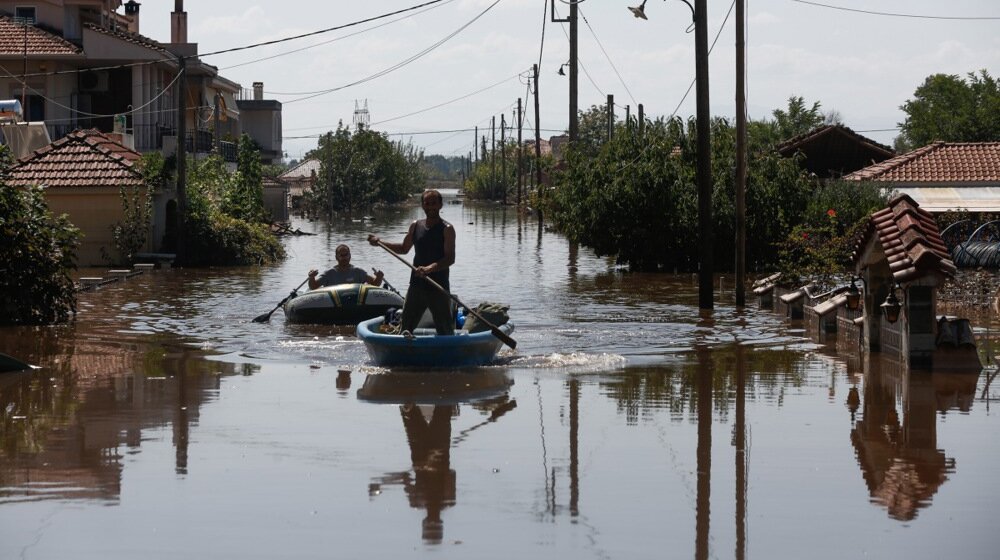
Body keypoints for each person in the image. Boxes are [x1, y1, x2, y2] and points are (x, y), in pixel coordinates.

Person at [368, 189, 455, 335]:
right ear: (422, 206)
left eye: (434, 203)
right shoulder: (416, 225)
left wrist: (429, 269)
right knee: (406, 327)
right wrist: (380, 242)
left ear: (440, 205)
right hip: (417, 286)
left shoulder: (447, 229)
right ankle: (404, 351)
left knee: (445, 330)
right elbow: (403, 248)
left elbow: (449, 258)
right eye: (427, 203)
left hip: (438, 286)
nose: (430, 207)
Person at [308, 244, 384, 289]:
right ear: (336, 257)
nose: (344, 258)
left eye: (346, 255)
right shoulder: (329, 273)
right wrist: (311, 277)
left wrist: (379, 277)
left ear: (350, 256)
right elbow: (313, 286)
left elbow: (375, 283)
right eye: (341, 255)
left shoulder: (358, 271)